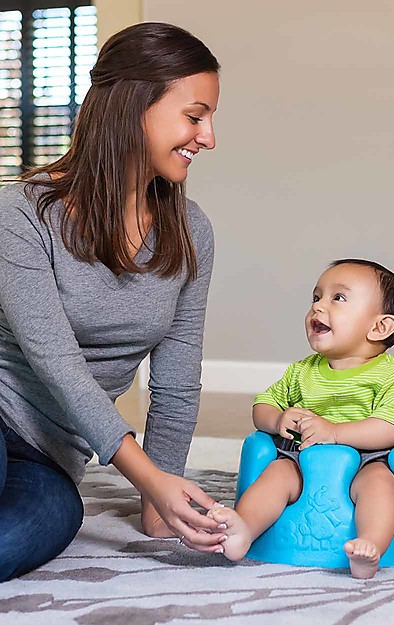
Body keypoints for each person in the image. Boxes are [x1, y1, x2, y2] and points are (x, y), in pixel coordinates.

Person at [0, 22, 229, 582]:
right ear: (132, 108)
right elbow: (58, 364)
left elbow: (177, 380)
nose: (209, 137)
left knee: (40, 527)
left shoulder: (191, 232)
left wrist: (162, 502)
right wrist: (147, 477)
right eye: (194, 116)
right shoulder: (21, 214)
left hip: (50, 454)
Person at [208, 259, 394, 579]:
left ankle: (370, 546)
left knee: (381, 487)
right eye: (316, 297)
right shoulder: (302, 371)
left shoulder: (392, 375)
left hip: (371, 459)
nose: (318, 307)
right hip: (301, 459)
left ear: (379, 327)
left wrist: (335, 432)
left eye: (338, 298)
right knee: (276, 474)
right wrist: (278, 420)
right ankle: (244, 529)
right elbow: (261, 406)